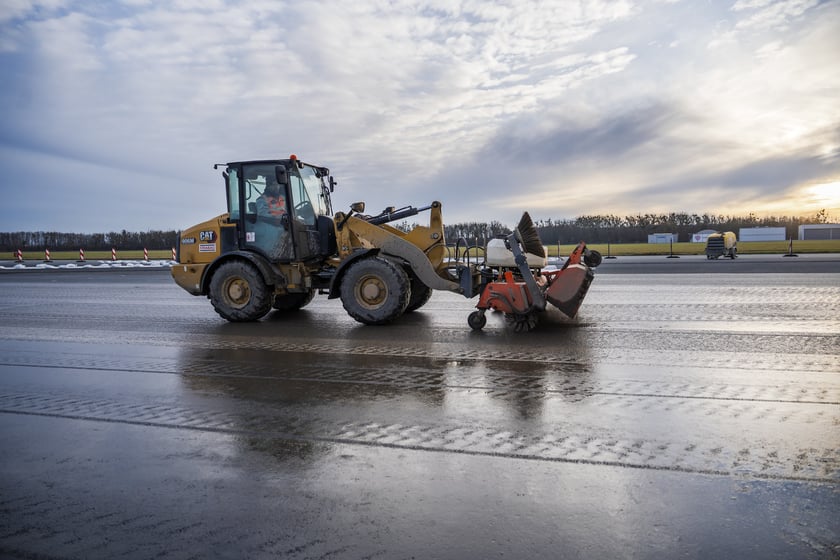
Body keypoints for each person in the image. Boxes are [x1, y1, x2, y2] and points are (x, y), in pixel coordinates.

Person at [253, 179, 290, 259]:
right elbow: (262, 214)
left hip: (282, 224)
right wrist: (278, 217)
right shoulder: (262, 200)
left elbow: (288, 210)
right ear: (268, 186)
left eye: (278, 185)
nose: (277, 187)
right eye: (274, 185)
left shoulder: (282, 198)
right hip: (269, 225)